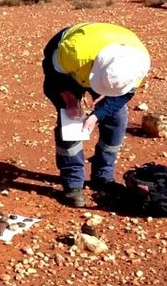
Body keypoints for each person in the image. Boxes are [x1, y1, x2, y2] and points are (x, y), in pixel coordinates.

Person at [42, 22, 151, 207]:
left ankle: (103, 176)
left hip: (102, 60)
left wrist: (96, 116)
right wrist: (69, 100)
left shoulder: (138, 64)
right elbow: (51, 74)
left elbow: (125, 95)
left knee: (117, 119)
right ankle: (72, 184)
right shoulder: (73, 54)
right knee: (71, 124)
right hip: (68, 68)